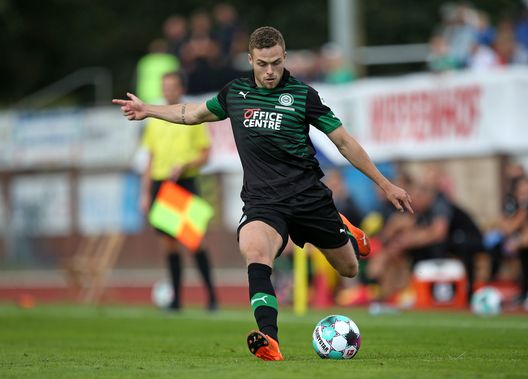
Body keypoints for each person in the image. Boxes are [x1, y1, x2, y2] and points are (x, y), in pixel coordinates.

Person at [114, 26, 412, 361]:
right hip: (263, 203)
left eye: (275, 63)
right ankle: (269, 339)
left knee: (349, 270)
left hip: (309, 199)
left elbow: (343, 141)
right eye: (262, 64)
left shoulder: (303, 96)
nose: (269, 71)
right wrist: (148, 110)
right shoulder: (235, 94)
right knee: (255, 254)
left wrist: (385, 185)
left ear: (284, 58)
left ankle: (342, 227)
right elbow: (192, 114)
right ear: (250, 60)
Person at [139, 71, 218, 311]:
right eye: (164, 86)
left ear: (181, 88)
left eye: (172, 86)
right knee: (169, 244)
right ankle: (176, 300)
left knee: (194, 241)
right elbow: (150, 158)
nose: (168, 91)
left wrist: (185, 165)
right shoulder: (155, 119)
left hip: (185, 183)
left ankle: (212, 298)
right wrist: (144, 192)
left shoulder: (192, 116)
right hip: (161, 184)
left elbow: (205, 154)